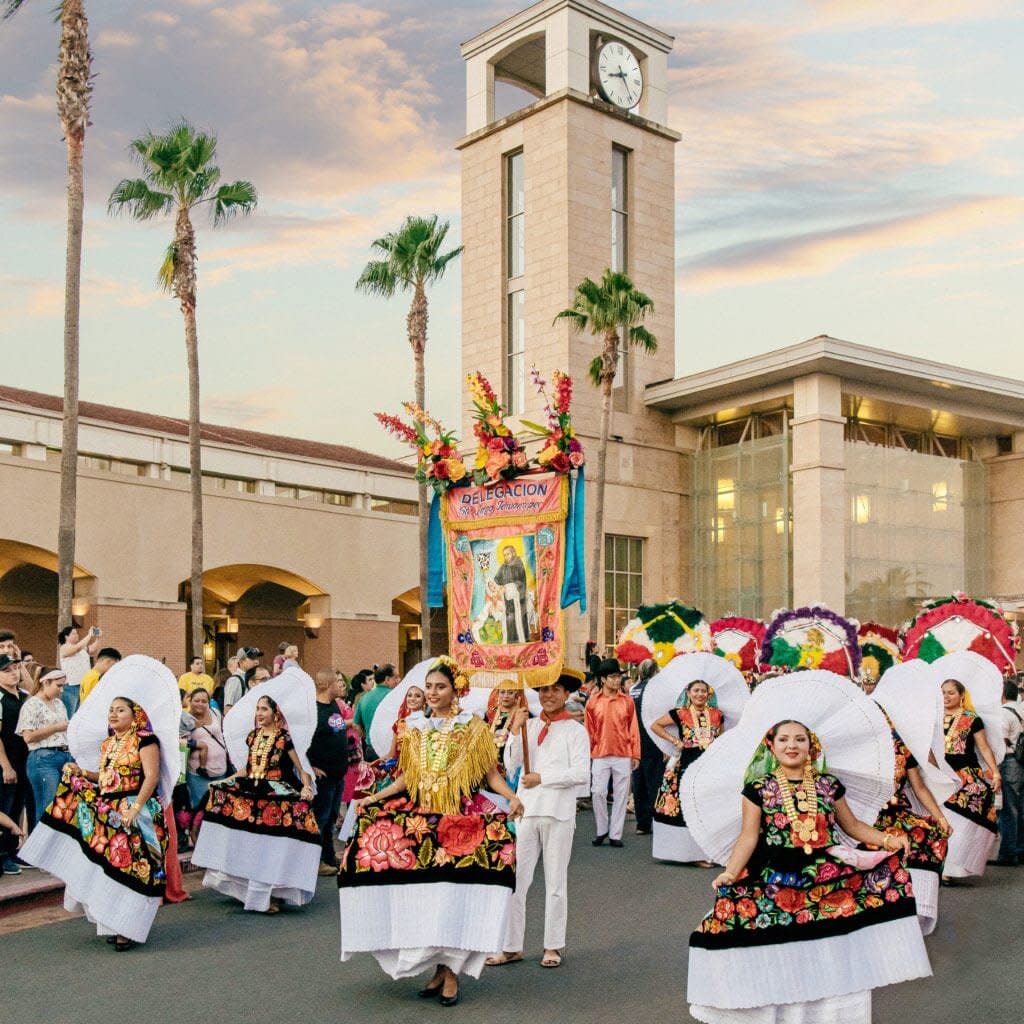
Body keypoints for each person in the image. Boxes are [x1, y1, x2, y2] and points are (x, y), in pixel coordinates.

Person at [688, 717, 930, 1023]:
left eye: (800, 739)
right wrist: (730, 873)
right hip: (774, 872)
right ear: (771, 747)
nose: (792, 745)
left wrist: (887, 839)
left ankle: (831, 1013)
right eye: (784, 739)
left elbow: (852, 826)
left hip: (825, 872)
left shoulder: (828, 785)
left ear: (811, 746)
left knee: (831, 940)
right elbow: (748, 837)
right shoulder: (758, 788)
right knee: (754, 930)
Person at [339, 657, 524, 1005]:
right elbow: (408, 778)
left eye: (440, 687)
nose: (433, 693)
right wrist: (374, 797)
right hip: (422, 821)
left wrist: (512, 796)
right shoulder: (415, 728)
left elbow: (489, 775)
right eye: (430, 687)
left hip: (459, 822)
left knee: (452, 897)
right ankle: (439, 967)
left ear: (456, 690)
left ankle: (452, 971)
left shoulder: (474, 728)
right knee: (425, 897)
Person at [18, 655, 180, 950]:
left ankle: (128, 927)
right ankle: (112, 921)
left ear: (135, 714)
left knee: (135, 865)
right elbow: (104, 778)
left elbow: (151, 776)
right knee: (108, 866)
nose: (114, 715)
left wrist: (135, 808)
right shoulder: (108, 744)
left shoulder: (146, 741)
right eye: (111, 710)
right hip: (108, 808)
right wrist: (82, 773)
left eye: (120, 710)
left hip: (137, 809)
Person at [486, 669, 590, 970]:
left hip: (558, 812)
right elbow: (510, 763)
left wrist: (543, 777)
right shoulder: (529, 725)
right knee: (517, 881)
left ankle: (553, 945)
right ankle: (511, 946)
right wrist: (516, 732)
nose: (548, 695)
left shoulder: (575, 731)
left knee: (555, 882)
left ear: (566, 694)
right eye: (543, 690)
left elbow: (582, 775)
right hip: (527, 811)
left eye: (555, 690)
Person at [191, 669, 319, 913]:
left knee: (271, 847)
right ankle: (247, 890)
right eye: (258, 709)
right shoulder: (253, 736)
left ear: (275, 713)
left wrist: (305, 787)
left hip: (275, 795)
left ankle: (272, 892)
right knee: (247, 843)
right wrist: (224, 781)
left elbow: (301, 768)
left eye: (265, 710)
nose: (260, 714)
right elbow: (246, 769)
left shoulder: (284, 738)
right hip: (252, 791)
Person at [649, 678, 724, 866]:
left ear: (708, 694)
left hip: (710, 766)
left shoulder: (717, 714)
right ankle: (691, 854)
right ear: (688, 693)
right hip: (687, 764)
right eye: (696, 691)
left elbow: (721, 736)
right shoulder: (680, 713)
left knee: (707, 809)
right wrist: (674, 741)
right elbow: (655, 725)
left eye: (703, 691)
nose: (700, 694)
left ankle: (709, 852)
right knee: (687, 808)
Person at [940, 678, 1001, 881]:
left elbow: (984, 747)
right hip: (938, 776)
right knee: (939, 821)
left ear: (961, 695)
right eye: (943, 692)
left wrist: (995, 772)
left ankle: (952, 869)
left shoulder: (972, 719)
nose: (946, 697)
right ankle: (938, 865)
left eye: (951, 693)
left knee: (962, 823)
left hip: (967, 778)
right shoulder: (932, 718)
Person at [585, 659, 639, 847]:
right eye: (613, 677)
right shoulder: (592, 702)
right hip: (599, 753)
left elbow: (634, 728)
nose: (617, 681)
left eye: (618, 677)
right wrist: (589, 752)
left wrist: (636, 754)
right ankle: (602, 830)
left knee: (621, 794)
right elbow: (588, 729)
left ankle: (616, 833)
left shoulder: (627, 701)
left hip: (623, 753)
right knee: (598, 792)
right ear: (603, 679)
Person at [309, 669, 353, 877]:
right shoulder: (314, 711)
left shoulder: (333, 705)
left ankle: (328, 855)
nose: (341, 685)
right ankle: (315, 861)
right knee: (321, 818)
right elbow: (303, 742)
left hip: (337, 773)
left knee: (331, 818)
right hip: (323, 775)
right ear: (326, 684)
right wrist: (311, 767)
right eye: (337, 682)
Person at [15, 668, 71, 828]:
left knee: (61, 807)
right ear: (45, 682)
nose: (61, 690)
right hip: (43, 758)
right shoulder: (32, 704)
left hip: (63, 755)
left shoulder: (59, 703)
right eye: (58, 686)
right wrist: (55, 727)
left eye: (63, 686)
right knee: (47, 806)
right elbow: (28, 736)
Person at [180, 688, 228, 843]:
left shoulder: (215, 713)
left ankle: (214, 843)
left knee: (218, 808)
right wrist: (197, 744)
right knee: (200, 809)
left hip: (221, 770)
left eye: (204, 701)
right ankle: (198, 840)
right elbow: (178, 741)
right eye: (196, 700)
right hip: (199, 774)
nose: (200, 704)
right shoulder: (184, 719)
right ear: (189, 701)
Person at [0, 652, 31, 874]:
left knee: (17, 807)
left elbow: (35, 686)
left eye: (15, 668)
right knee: (5, 808)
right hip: (6, 763)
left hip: (24, 761)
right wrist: (5, 766)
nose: (13, 673)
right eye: (7, 670)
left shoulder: (25, 695)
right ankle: (3, 856)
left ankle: (13, 851)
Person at [629, 659, 663, 836]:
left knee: (638, 782)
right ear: (655, 671)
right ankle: (656, 820)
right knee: (654, 783)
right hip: (653, 741)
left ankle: (642, 823)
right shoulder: (655, 690)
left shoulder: (632, 689)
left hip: (635, 741)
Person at [993, 678, 1024, 866]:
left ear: (1002, 695)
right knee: (1019, 808)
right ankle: (1019, 848)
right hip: (1019, 763)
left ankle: (1007, 852)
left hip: (1009, 761)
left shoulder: (1003, 714)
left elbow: (1001, 741)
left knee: (1008, 810)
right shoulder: (1019, 711)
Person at [352, 663, 398, 760]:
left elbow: (356, 725)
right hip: (390, 750)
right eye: (396, 677)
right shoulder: (395, 697)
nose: (399, 680)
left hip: (371, 749)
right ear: (387, 679)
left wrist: (367, 736)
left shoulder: (364, 698)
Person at [58, 624, 101, 716]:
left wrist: (97, 638)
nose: (76, 635)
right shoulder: (64, 647)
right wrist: (89, 635)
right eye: (73, 633)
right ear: (66, 636)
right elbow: (77, 648)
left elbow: (92, 650)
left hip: (84, 684)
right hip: (72, 685)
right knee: (70, 712)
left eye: (77, 633)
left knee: (81, 712)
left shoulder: (82, 647)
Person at [495, 545, 531, 643]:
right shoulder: (503, 567)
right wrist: (496, 586)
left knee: (519, 625)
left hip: (518, 601)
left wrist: (507, 588)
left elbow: (521, 583)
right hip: (507, 601)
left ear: (513, 553)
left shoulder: (518, 565)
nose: (506, 556)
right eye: (504, 555)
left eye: (508, 554)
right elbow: (496, 580)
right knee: (508, 624)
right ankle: (510, 643)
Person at [222, 646, 262, 713]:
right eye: (252, 658)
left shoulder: (253, 677)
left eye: (257, 658)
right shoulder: (234, 680)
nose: (256, 661)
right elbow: (227, 709)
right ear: (241, 661)